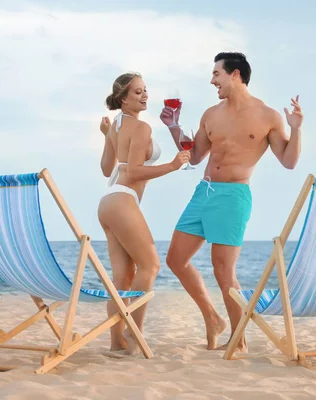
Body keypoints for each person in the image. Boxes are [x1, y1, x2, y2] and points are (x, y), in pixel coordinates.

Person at [159, 52, 303, 353]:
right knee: (175, 259)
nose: (213, 81)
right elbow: (196, 157)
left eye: (216, 74)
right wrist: (174, 126)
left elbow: (289, 161)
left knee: (223, 270)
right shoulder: (211, 114)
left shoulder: (268, 116)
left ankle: (239, 340)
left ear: (235, 74)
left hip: (233, 196)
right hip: (204, 192)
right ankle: (212, 318)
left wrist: (296, 128)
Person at [98, 72, 191, 354]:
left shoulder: (115, 125)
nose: (144, 95)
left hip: (109, 202)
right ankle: (133, 332)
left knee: (123, 276)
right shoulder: (141, 129)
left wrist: (107, 137)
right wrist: (173, 166)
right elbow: (135, 170)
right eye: (137, 92)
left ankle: (117, 343)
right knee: (150, 266)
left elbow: (107, 170)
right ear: (123, 99)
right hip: (123, 199)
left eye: (145, 90)